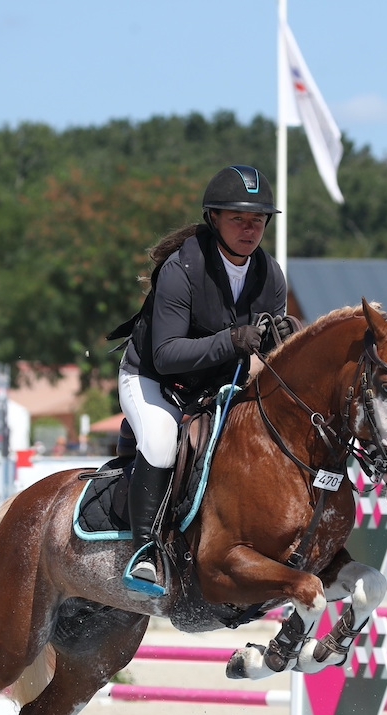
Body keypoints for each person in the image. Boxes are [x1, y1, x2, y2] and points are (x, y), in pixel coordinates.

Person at [111, 165, 297, 595]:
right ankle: (146, 554)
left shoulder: (269, 274)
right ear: (214, 218)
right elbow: (167, 354)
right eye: (238, 219)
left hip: (215, 383)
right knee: (159, 442)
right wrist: (232, 340)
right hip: (154, 379)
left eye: (258, 220)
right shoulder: (183, 268)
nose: (250, 229)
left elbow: (267, 355)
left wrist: (289, 338)